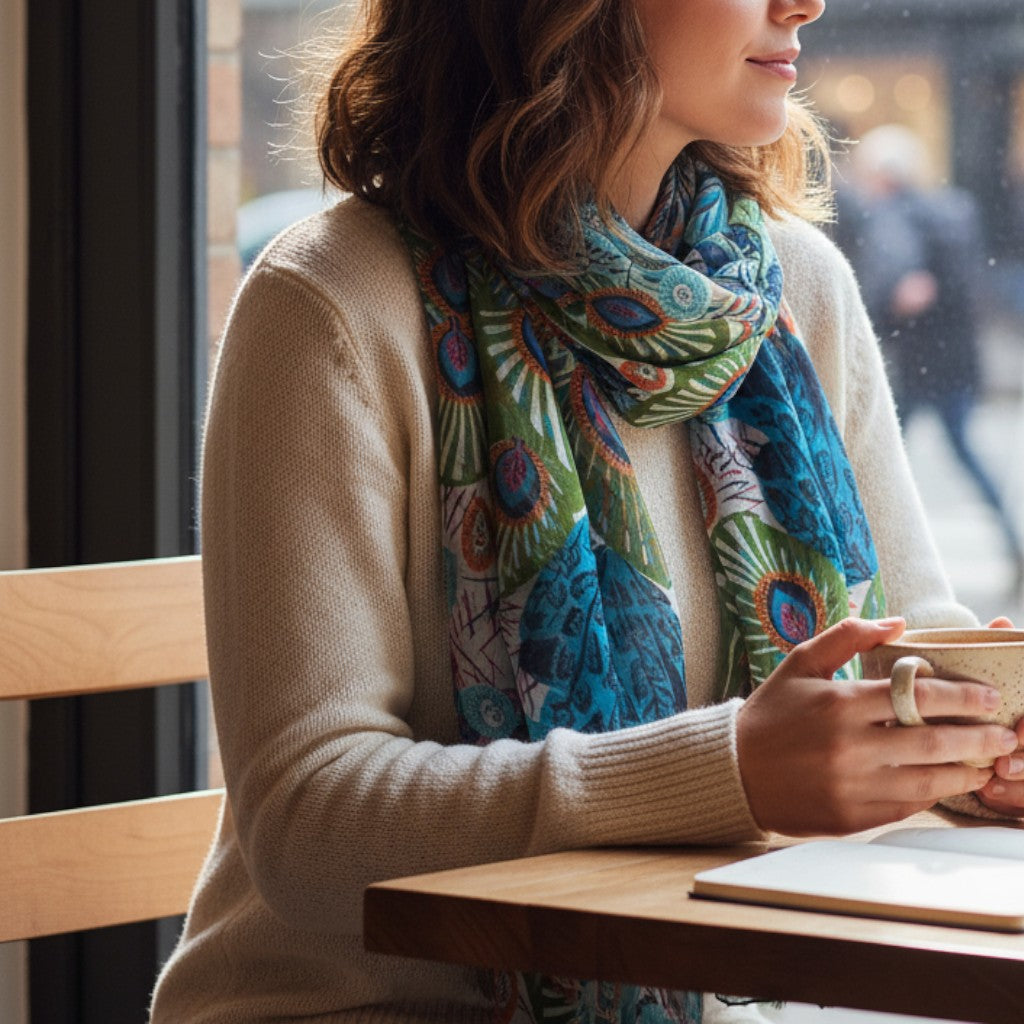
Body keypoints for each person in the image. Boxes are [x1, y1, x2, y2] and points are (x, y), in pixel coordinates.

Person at [149, 2, 1024, 1022]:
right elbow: (309, 825)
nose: (806, 2)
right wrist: (726, 771)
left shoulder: (794, 291)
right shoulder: (333, 304)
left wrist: (980, 752)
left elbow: (914, 653)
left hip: (740, 987)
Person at [845, 123, 1024, 598]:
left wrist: (887, 306)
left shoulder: (894, 217)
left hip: (914, 364)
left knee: (875, 464)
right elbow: (966, 288)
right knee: (936, 456)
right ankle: (1013, 545)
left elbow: (898, 289)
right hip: (951, 360)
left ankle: (861, 566)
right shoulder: (952, 212)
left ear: (883, 175)